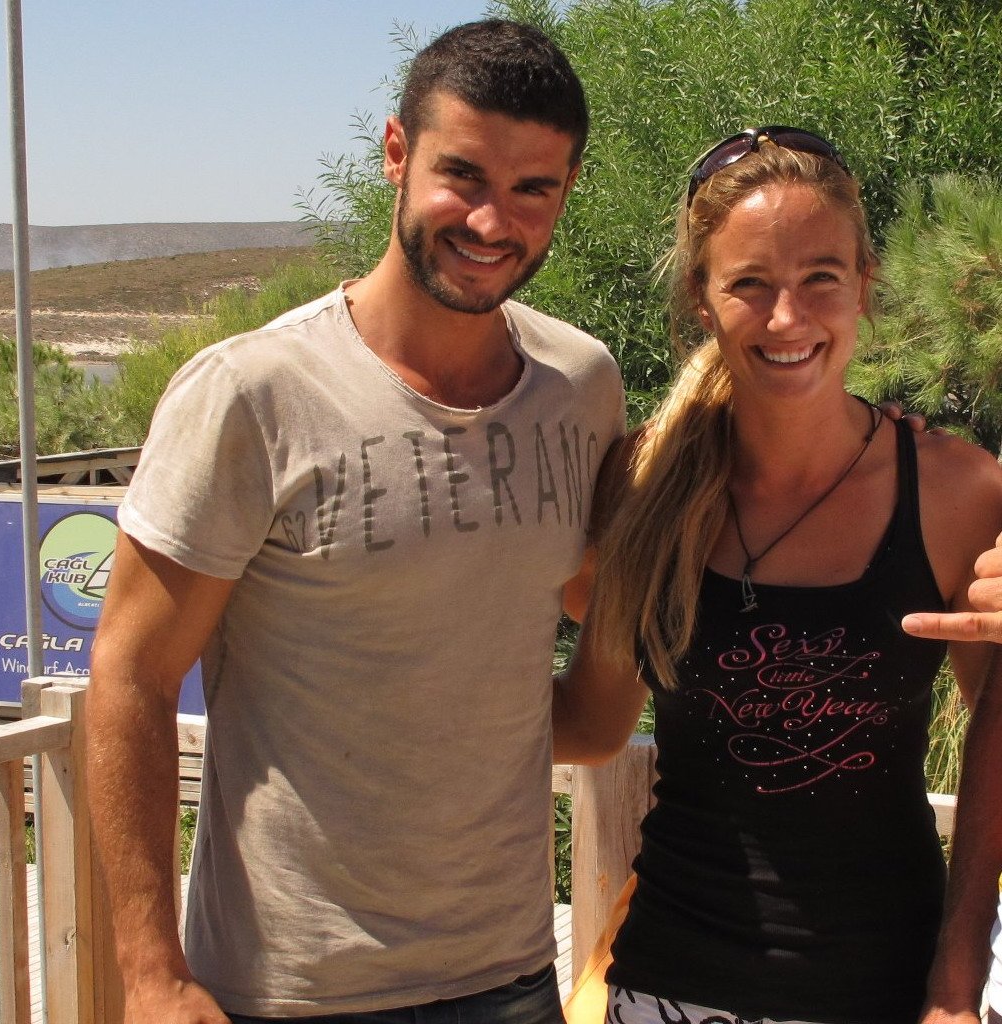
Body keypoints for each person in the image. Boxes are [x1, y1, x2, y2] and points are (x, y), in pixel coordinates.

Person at [87, 19, 624, 1024]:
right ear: (395, 153)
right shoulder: (253, 394)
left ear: (567, 190)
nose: (491, 220)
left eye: (531, 189)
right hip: (290, 989)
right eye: (461, 175)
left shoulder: (580, 388)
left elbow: (599, 636)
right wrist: (151, 974)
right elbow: (130, 673)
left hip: (510, 975)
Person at [552, 127, 1002, 1024]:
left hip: (892, 991)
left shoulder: (958, 493)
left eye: (820, 278)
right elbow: (592, 725)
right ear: (701, 298)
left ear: (865, 286)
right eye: (750, 284)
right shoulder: (643, 485)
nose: (787, 318)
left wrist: (958, 980)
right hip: (666, 986)